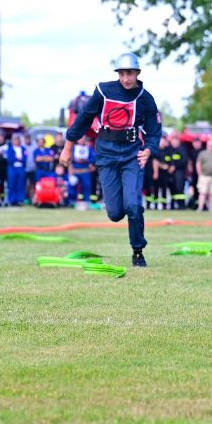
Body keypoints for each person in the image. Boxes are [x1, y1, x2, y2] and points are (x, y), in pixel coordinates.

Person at [59, 53, 164, 268]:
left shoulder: (145, 98)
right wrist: (68, 147)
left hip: (132, 155)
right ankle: (125, 205)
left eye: (131, 73)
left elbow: (154, 131)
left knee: (133, 205)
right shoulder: (103, 91)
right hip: (106, 154)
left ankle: (137, 251)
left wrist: (149, 150)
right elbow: (83, 119)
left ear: (137, 73)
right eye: (123, 74)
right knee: (116, 213)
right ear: (118, 74)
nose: (126, 78)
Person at [195, 138, 212, 211]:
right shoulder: (203, 154)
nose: (211, 147)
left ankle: (211, 208)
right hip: (204, 175)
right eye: (210, 145)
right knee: (202, 192)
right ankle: (200, 207)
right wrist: (199, 173)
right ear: (207, 146)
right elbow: (198, 164)